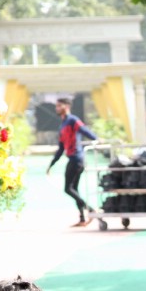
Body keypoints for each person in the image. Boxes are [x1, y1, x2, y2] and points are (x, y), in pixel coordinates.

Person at [47, 97, 98, 227]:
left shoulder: (72, 120)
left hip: (77, 158)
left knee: (68, 189)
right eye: (56, 106)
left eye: (59, 106)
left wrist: (96, 139)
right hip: (72, 158)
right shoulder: (62, 125)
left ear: (66, 106)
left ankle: (90, 209)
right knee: (74, 188)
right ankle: (82, 218)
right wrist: (51, 164)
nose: (57, 108)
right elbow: (61, 149)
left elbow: (84, 130)